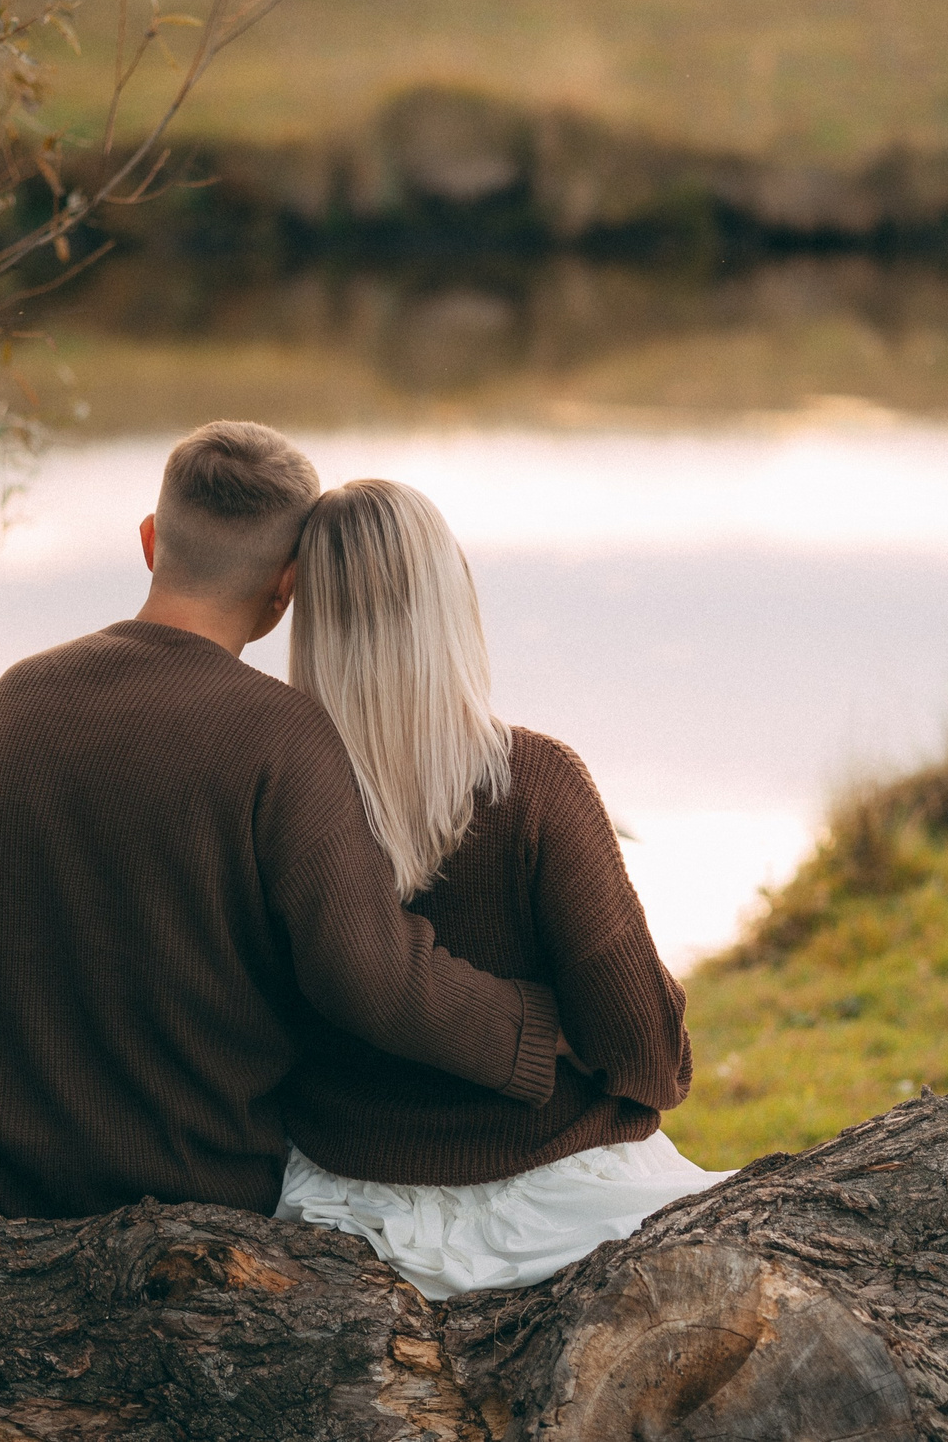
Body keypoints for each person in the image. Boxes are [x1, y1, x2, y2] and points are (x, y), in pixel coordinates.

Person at [0, 423, 565, 1220]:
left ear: (151, 541)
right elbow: (376, 978)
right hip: (184, 1191)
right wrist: (539, 1028)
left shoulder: (20, 694)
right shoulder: (280, 736)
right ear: (287, 589)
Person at [273, 479, 728, 1298]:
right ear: (454, 600)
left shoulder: (274, 793)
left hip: (343, 1202)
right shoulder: (538, 784)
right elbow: (649, 1058)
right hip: (554, 1204)